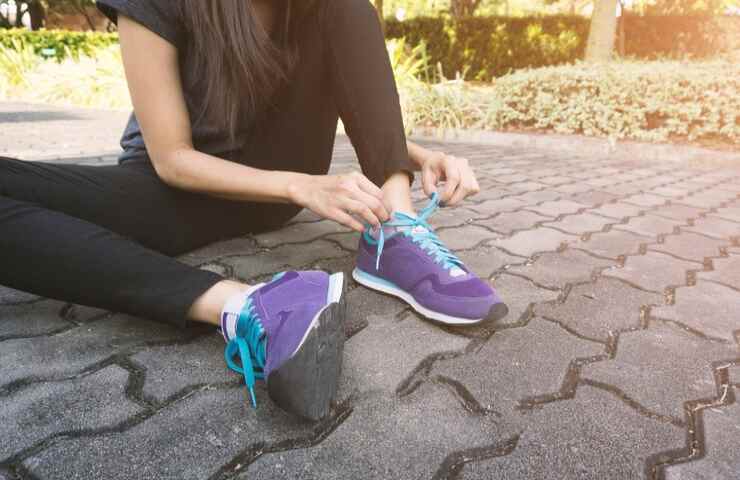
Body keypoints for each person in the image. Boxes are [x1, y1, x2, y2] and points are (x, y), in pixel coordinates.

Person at [0, 0, 507, 421]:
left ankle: (394, 234)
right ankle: (245, 306)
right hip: (180, 190)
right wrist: (300, 186)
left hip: (275, 194)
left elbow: (341, 97)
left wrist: (412, 155)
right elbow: (172, 159)